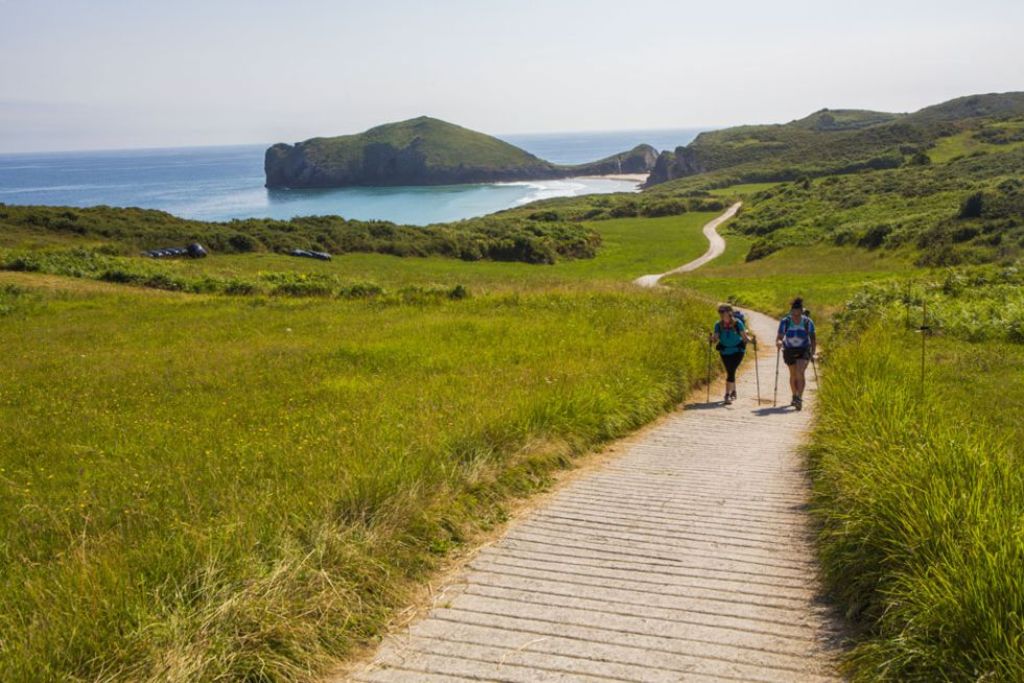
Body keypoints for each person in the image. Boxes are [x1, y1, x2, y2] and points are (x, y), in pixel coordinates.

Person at [776, 297, 816, 410]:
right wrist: (779, 343)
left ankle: (799, 398)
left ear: (801, 311)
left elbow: (813, 338)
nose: (796, 315)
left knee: (800, 373)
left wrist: (813, 352)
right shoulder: (786, 321)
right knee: (793, 374)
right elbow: (779, 337)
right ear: (791, 311)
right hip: (789, 349)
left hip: (804, 349)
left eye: (798, 313)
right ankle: (794, 395)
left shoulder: (808, 322)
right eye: (794, 312)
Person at [710, 304, 751, 404]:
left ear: (730, 313)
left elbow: (744, 337)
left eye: (724, 312)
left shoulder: (738, 323)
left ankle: (727, 395)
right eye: (721, 313)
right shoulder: (718, 325)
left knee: (731, 370)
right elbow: (716, 338)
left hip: (738, 350)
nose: (722, 315)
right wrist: (712, 339)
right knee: (730, 371)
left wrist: (750, 340)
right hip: (724, 351)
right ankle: (733, 391)